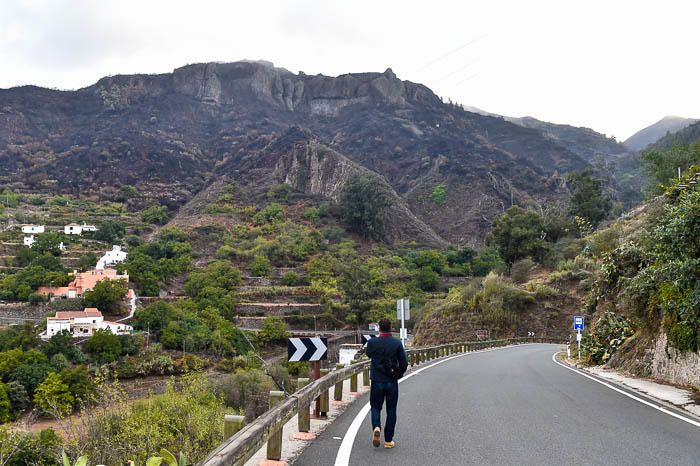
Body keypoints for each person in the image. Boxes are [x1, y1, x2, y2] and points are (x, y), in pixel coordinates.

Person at [365, 318, 408, 449]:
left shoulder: (372, 342)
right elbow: (404, 363)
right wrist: (398, 374)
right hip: (391, 381)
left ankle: (376, 426)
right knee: (391, 409)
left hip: (377, 380)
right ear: (390, 328)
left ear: (379, 328)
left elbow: (368, 354)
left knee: (376, 407)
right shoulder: (396, 343)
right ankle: (388, 440)